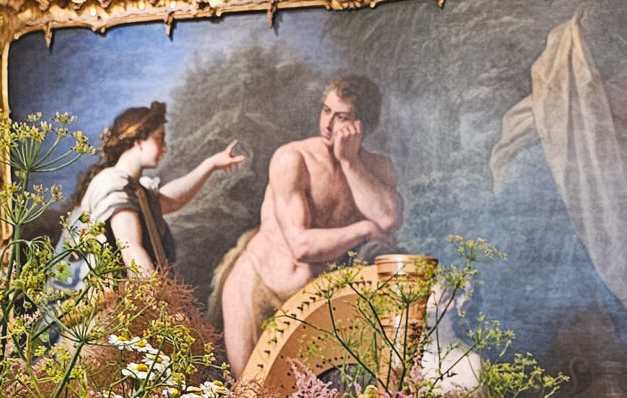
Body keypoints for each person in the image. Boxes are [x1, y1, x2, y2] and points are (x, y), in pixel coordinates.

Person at [214, 75, 403, 376]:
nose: (328, 124)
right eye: (326, 111)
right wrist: (364, 230)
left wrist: (350, 163)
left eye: (341, 117)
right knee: (252, 393)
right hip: (261, 288)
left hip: (316, 302)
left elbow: (389, 219)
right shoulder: (293, 159)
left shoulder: (377, 166)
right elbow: (301, 246)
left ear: (362, 124)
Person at [66, 102, 243, 278]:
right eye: (159, 138)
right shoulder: (114, 185)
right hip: (113, 292)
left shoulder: (133, 188)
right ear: (139, 141)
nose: (165, 148)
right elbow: (131, 250)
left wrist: (211, 164)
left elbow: (170, 200)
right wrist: (159, 294)